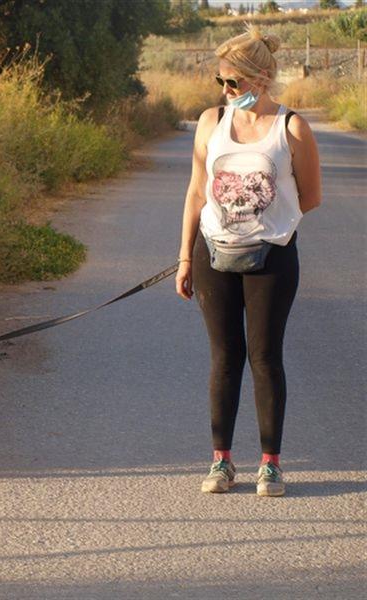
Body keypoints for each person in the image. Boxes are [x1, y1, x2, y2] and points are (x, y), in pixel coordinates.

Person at [175, 25, 322, 497]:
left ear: (260, 79)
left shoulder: (291, 127)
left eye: (233, 83)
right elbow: (197, 191)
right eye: (220, 81)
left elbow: (312, 197)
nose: (225, 91)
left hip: (272, 257)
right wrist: (183, 257)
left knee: (264, 356)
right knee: (224, 358)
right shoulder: (209, 121)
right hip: (212, 254)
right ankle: (221, 462)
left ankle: (271, 464)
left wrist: (258, 212)